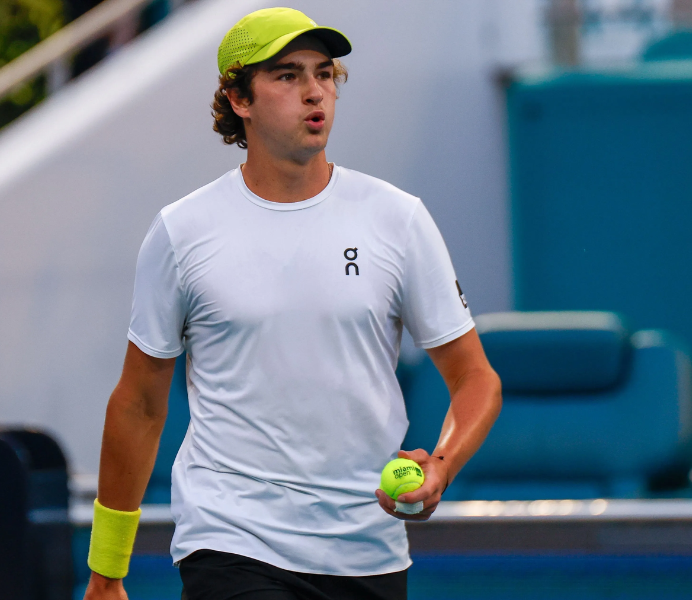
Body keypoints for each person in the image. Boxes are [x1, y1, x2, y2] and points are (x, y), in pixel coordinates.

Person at [83, 7, 502, 600]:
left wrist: (442, 463)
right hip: (231, 541)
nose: (315, 92)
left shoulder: (397, 219)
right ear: (238, 98)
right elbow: (140, 405)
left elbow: (475, 379)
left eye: (324, 73)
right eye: (286, 75)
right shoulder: (182, 231)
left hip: (370, 550)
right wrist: (107, 571)